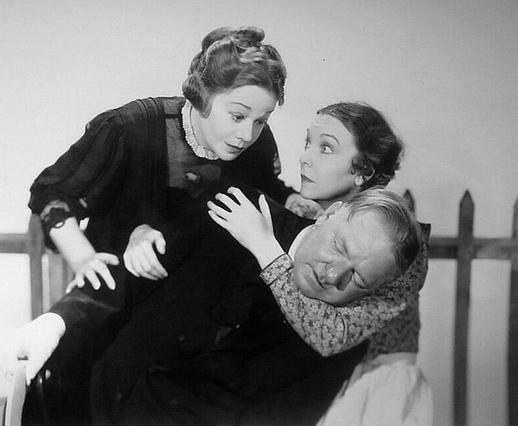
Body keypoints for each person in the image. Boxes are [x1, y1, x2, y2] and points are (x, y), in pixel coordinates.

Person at [4, 102, 427, 425]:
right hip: (107, 397)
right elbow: (135, 273)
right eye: (308, 144)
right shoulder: (249, 208)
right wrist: (57, 322)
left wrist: (266, 250)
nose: (334, 273)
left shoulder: (359, 307)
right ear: (332, 217)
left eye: (327, 148)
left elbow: (295, 395)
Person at [27, 25, 318, 291]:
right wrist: (83, 259)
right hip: (123, 288)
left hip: (203, 296)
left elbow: (263, 186)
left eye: (261, 120)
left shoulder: (257, 140)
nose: (247, 134)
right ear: (203, 95)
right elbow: (53, 194)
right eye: (238, 116)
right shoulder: (129, 128)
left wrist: (293, 202)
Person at [209, 187, 433, 425]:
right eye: (338, 247)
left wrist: (266, 249)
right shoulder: (297, 220)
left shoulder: (402, 262)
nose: (333, 275)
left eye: (358, 279)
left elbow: (330, 336)